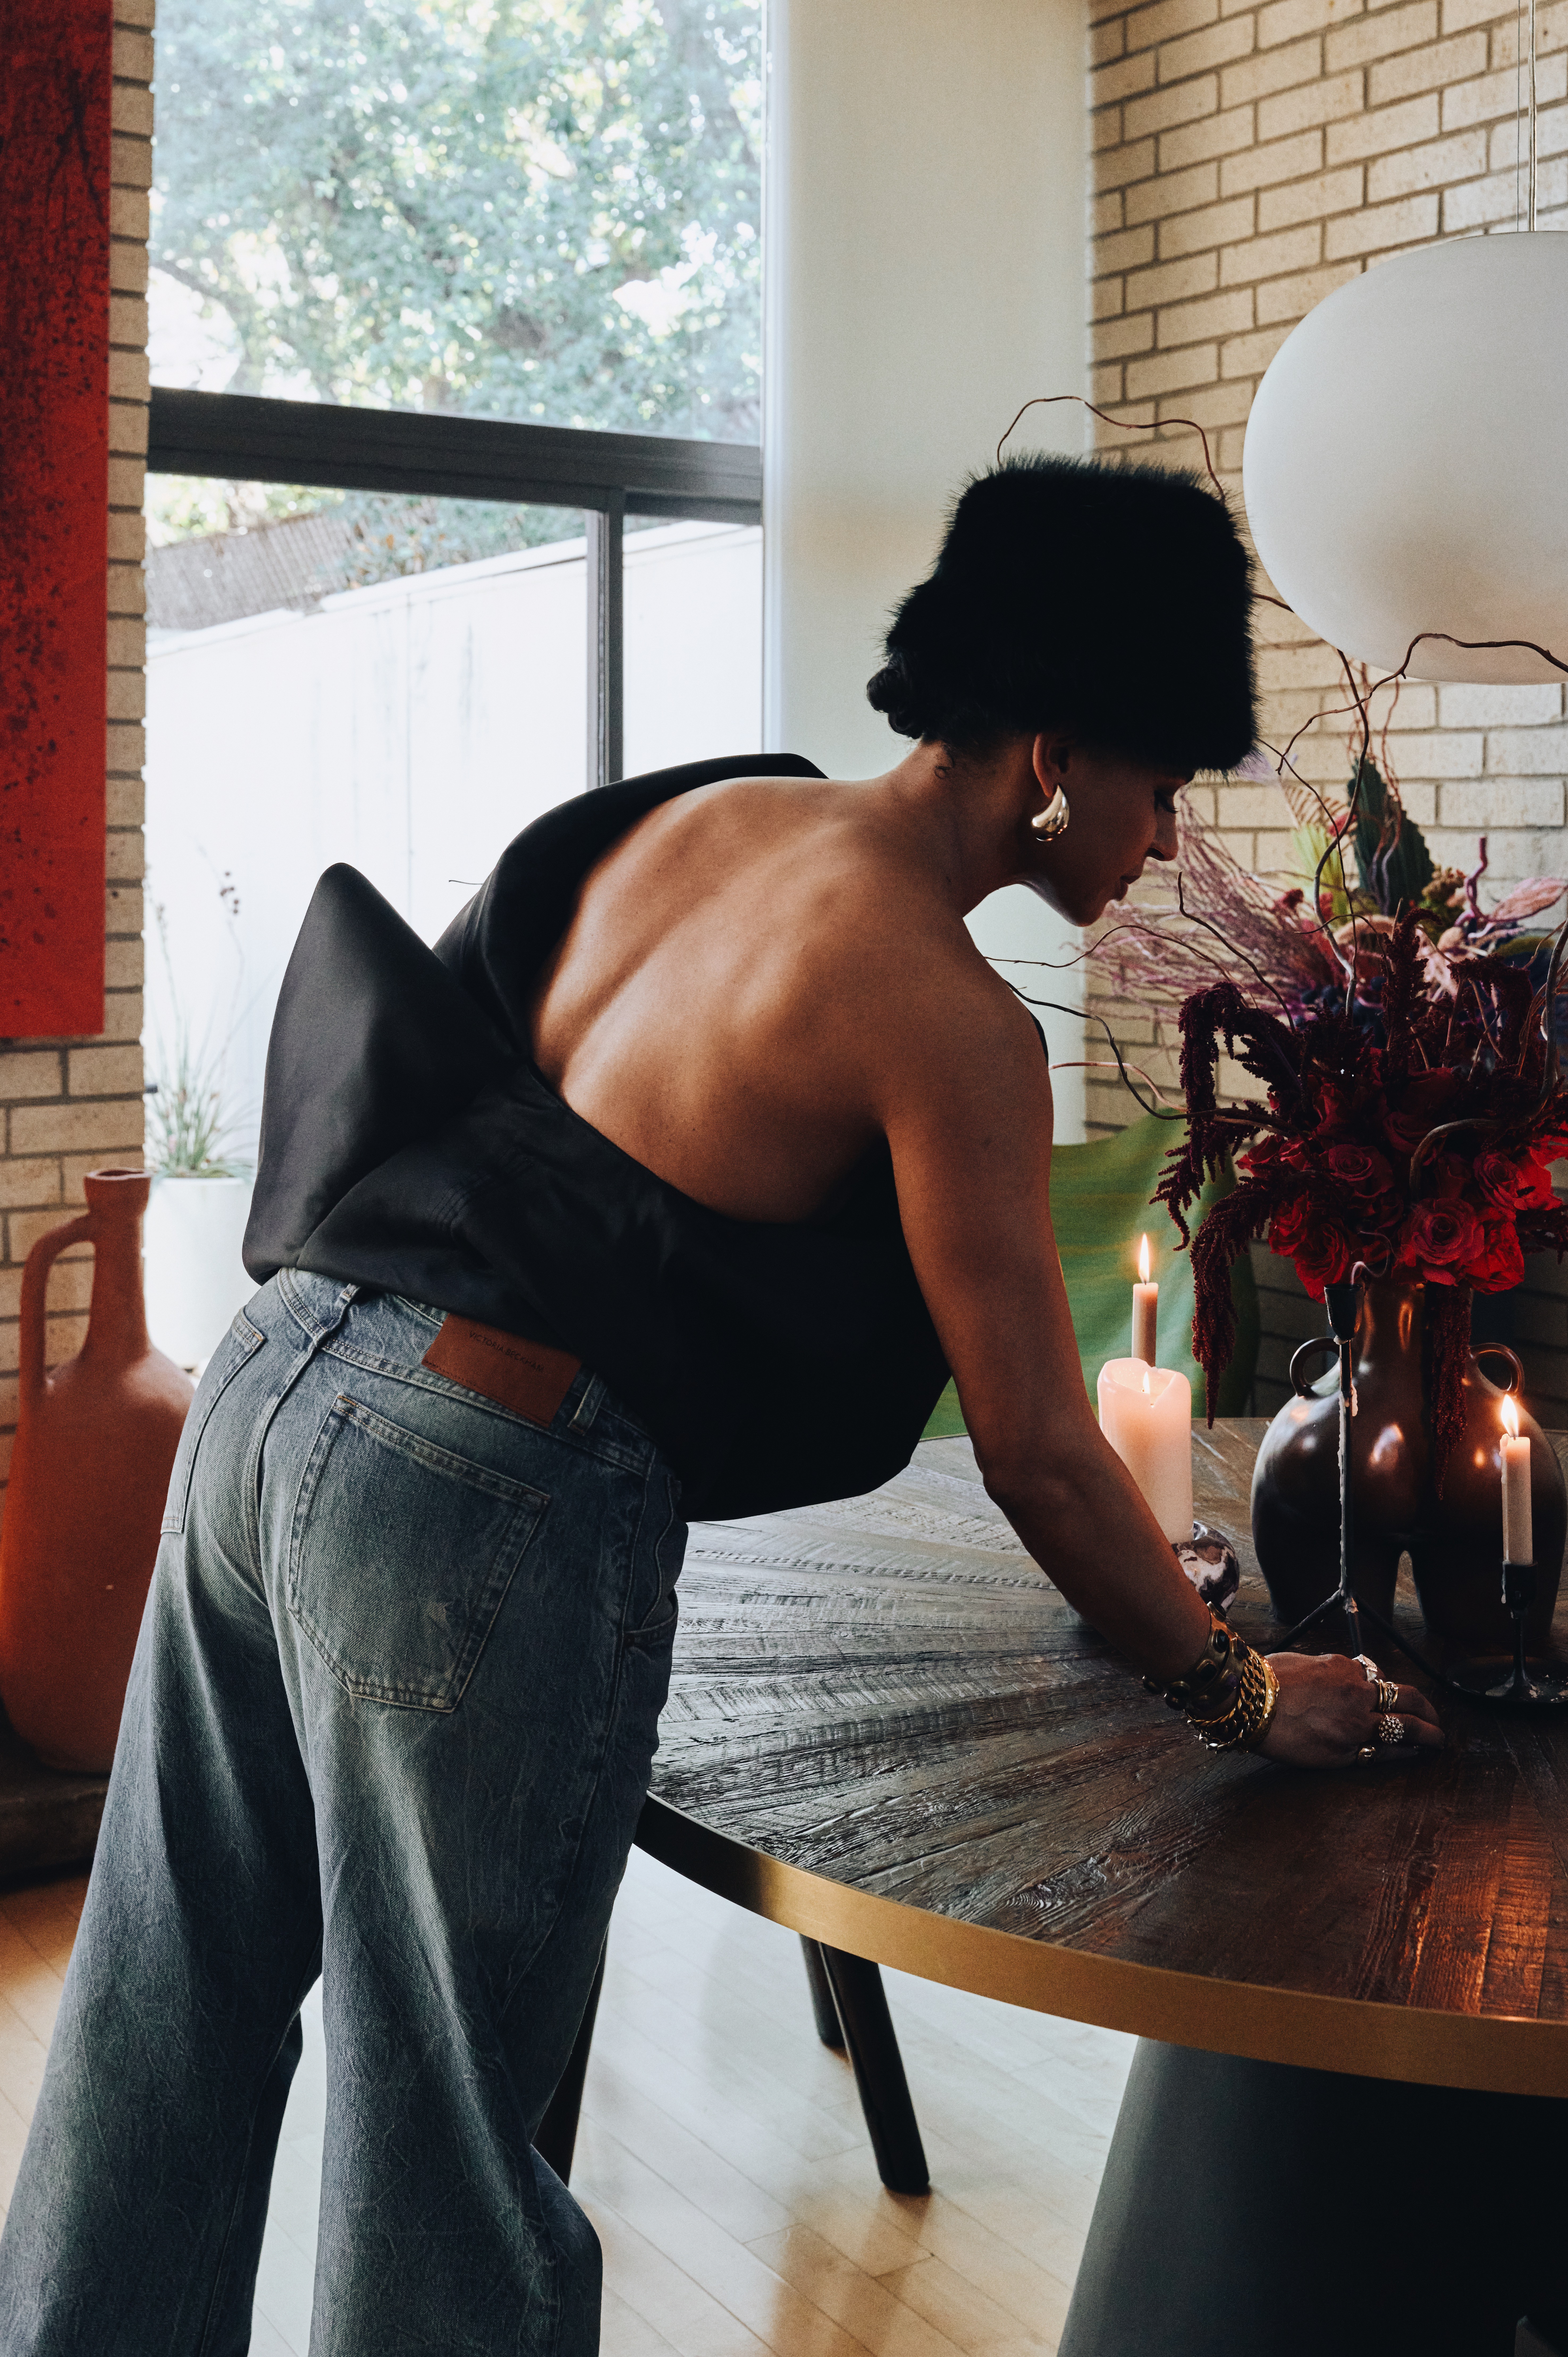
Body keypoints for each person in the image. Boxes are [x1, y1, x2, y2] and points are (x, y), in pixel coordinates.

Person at [0, 456, 1441, 2355]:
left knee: (162, 2009)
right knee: (447, 2133)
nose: (1165, 842)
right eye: (1164, 781)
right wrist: (1247, 1687)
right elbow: (1034, 1453)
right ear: (1054, 748)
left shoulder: (723, 809)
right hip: (476, 1478)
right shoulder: (947, 1018)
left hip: (275, 1377)